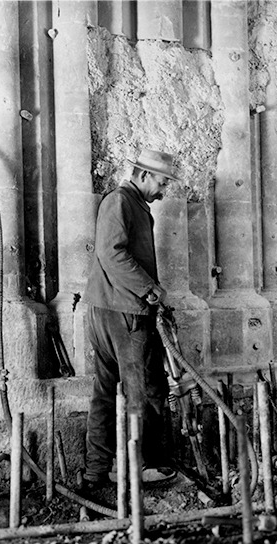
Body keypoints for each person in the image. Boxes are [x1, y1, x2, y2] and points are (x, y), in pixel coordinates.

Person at [81, 149, 179, 489]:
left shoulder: (132, 205)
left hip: (109, 310)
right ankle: (140, 468)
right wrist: (150, 288)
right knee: (144, 391)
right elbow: (111, 253)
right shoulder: (120, 201)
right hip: (123, 314)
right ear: (142, 175)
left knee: (106, 392)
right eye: (162, 182)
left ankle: (97, 471)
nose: (163, 191)